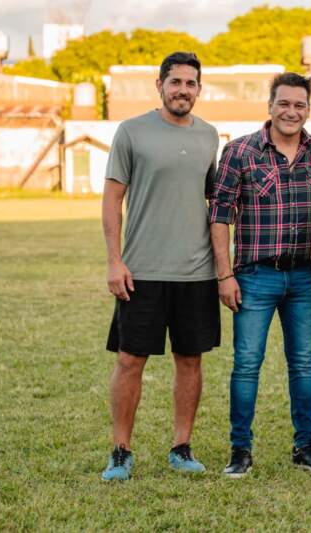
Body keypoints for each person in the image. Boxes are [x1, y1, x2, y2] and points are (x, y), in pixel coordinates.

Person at [209, 72, 311, 478]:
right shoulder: (239, 152)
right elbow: (219, 216)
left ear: (308, 109)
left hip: (304, 276)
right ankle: (240, 450)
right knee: (247, 364)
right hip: (254, 276)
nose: (291, 111)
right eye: (284, 103)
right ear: (270, 105)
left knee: (303, 364)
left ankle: (305, 445)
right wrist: (224, 275)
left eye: (300, 104)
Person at [101, 51, 220, 481]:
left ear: (199, 89)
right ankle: (120, 450)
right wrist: (115, 261)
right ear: (160, 85)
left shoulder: (210, 136)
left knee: (190, 362)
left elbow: (216, 204)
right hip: (142, 271)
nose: (183, 90)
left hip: (196, 273)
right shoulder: (131, 132)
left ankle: (181, 446)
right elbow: (113, 200)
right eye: (175, 82)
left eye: (191, 83)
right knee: (130, 361)